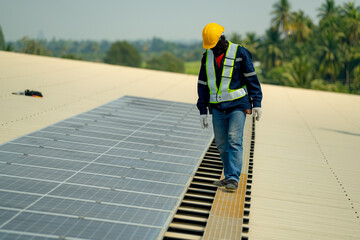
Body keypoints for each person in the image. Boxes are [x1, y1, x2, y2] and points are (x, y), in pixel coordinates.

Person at [197, 23, 263, 190]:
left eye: (213, 45)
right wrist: (202, 110)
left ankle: (233, 178)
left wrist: (257, 103)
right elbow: (203, 84)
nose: (211, 49)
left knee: (234, 139)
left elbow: (251, 78)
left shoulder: (240, 53)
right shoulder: (207, 57)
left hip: (238, 106)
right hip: (218, 108)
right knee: (221, 143)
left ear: (221, 39)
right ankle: (228, 176)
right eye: (209, 46)